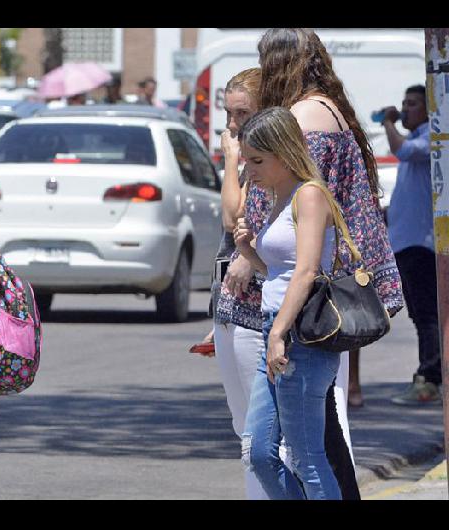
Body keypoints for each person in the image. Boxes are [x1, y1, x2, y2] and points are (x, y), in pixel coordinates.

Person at [218, 28, 405, 500]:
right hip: (311, 298)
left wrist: (248, 255)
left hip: (301, 308)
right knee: (298, 438)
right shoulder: (331, 110)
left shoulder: (303, 124)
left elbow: (278, 209)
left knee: (308, 442)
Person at [235, 106, 342, 500]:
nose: (250, 170)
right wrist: (248, 252)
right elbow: (283, 270)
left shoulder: (309, 194)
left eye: (258, 160)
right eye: (246, 160)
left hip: (300, 336)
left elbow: (308, 269)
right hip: (275, 331)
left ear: (283, 152)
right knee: (260, 453)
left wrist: (278, 333)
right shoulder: (281, 197)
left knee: (306, 457)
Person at [203, 68, 287, 499]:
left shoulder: (263, 162)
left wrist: (232, 160)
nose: (233, 124)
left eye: (243, 113)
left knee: (263, 433)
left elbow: (231, 215)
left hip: (259, 310)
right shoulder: (247, 157)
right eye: (228, 113)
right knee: (244, 428)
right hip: (229, 305)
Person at [380, 85, 442, 405]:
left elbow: (401, 150)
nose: (404, 109)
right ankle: (428, 373)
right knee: (419, 314)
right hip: (406, 242)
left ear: (429, 109)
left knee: (428, 313)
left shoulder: (430, 137)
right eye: (403, 103)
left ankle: (430, 377)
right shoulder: (418, 138)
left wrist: (389, 122)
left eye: (412, 104)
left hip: (421, 243)